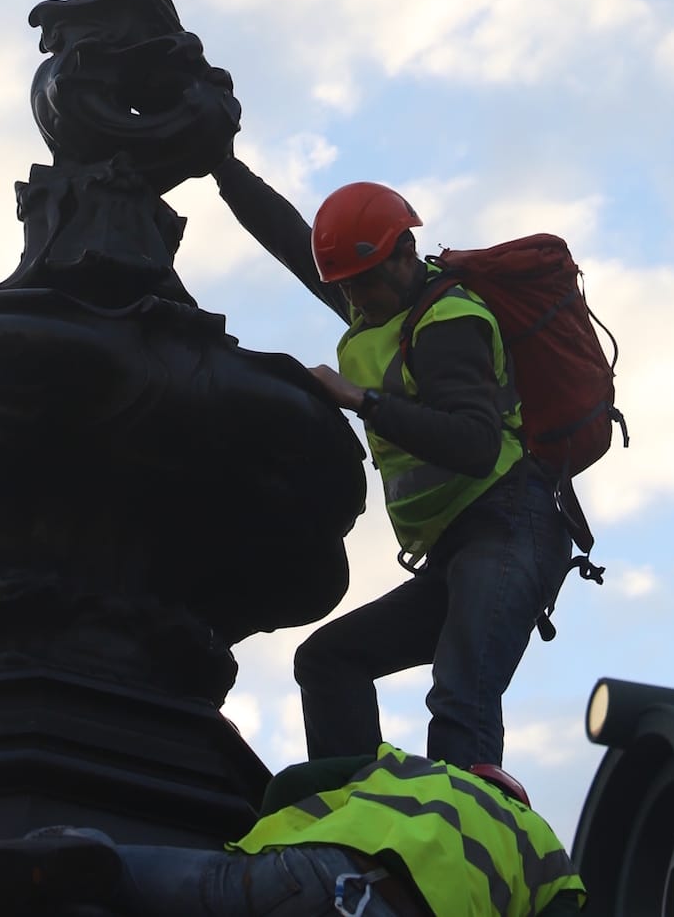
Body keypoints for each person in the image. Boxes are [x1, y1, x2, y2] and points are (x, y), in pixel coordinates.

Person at [213, 159, 573, 772]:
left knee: (463, 692)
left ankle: (467, 836)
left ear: (404, 255)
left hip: (512, 526)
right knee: (329, 661)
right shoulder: (372, 297)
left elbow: (475, 444)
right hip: (457, 549)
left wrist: (364, 402)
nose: (353, 298)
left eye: (362, 285)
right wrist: (222, 166)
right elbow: (290, 240)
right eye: (345, 287)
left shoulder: (448, 321)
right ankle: (352, 809)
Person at [0, 744, 585, 916]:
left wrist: (257, 840)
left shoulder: (408, 767)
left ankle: (67, 864)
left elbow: (296, 784)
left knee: (120, 874)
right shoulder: (549, 853)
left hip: (309, 876)